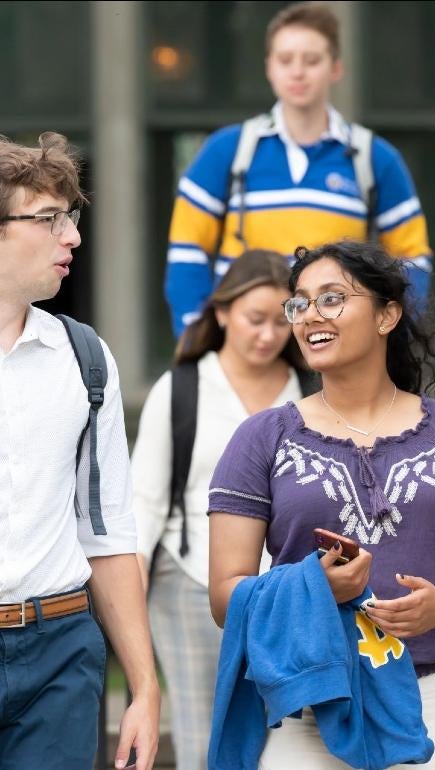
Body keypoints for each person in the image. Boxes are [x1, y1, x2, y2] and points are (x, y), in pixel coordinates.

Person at [207, 239, 435, 769]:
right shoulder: (263, 438)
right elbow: (223, 595)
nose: (309, 317)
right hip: (304, 701)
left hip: (430, 700)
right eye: (299, 303)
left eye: (332, 299)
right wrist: (313, 590)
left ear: (387, 315)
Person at [0, 132, 160, 770]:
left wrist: (144, 687)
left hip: (60, 652)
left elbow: (107, 531)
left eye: (70, 218)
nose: (72, 238)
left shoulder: (84, 357)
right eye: (49, 219)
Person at [132, 249, 316, 770]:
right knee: (205, 740)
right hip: (190, 585)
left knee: (289, 739)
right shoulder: (182, 389)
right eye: (254, 319)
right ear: (221, 313)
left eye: (282, 320)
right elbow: (144, 499)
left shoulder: (309, 390)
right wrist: (131, 586)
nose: (268, 335)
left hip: (290, 590)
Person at [164, 1, 432, 337]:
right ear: (269, 68)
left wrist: (395, 336)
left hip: (335, 344)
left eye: (312, 60)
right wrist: (197, 343)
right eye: (285, 59)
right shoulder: (225, 152)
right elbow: (187, 254)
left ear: (335, 68)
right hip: (248, 349)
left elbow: (413, 260)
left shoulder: (375, 158)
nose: (298, 71)